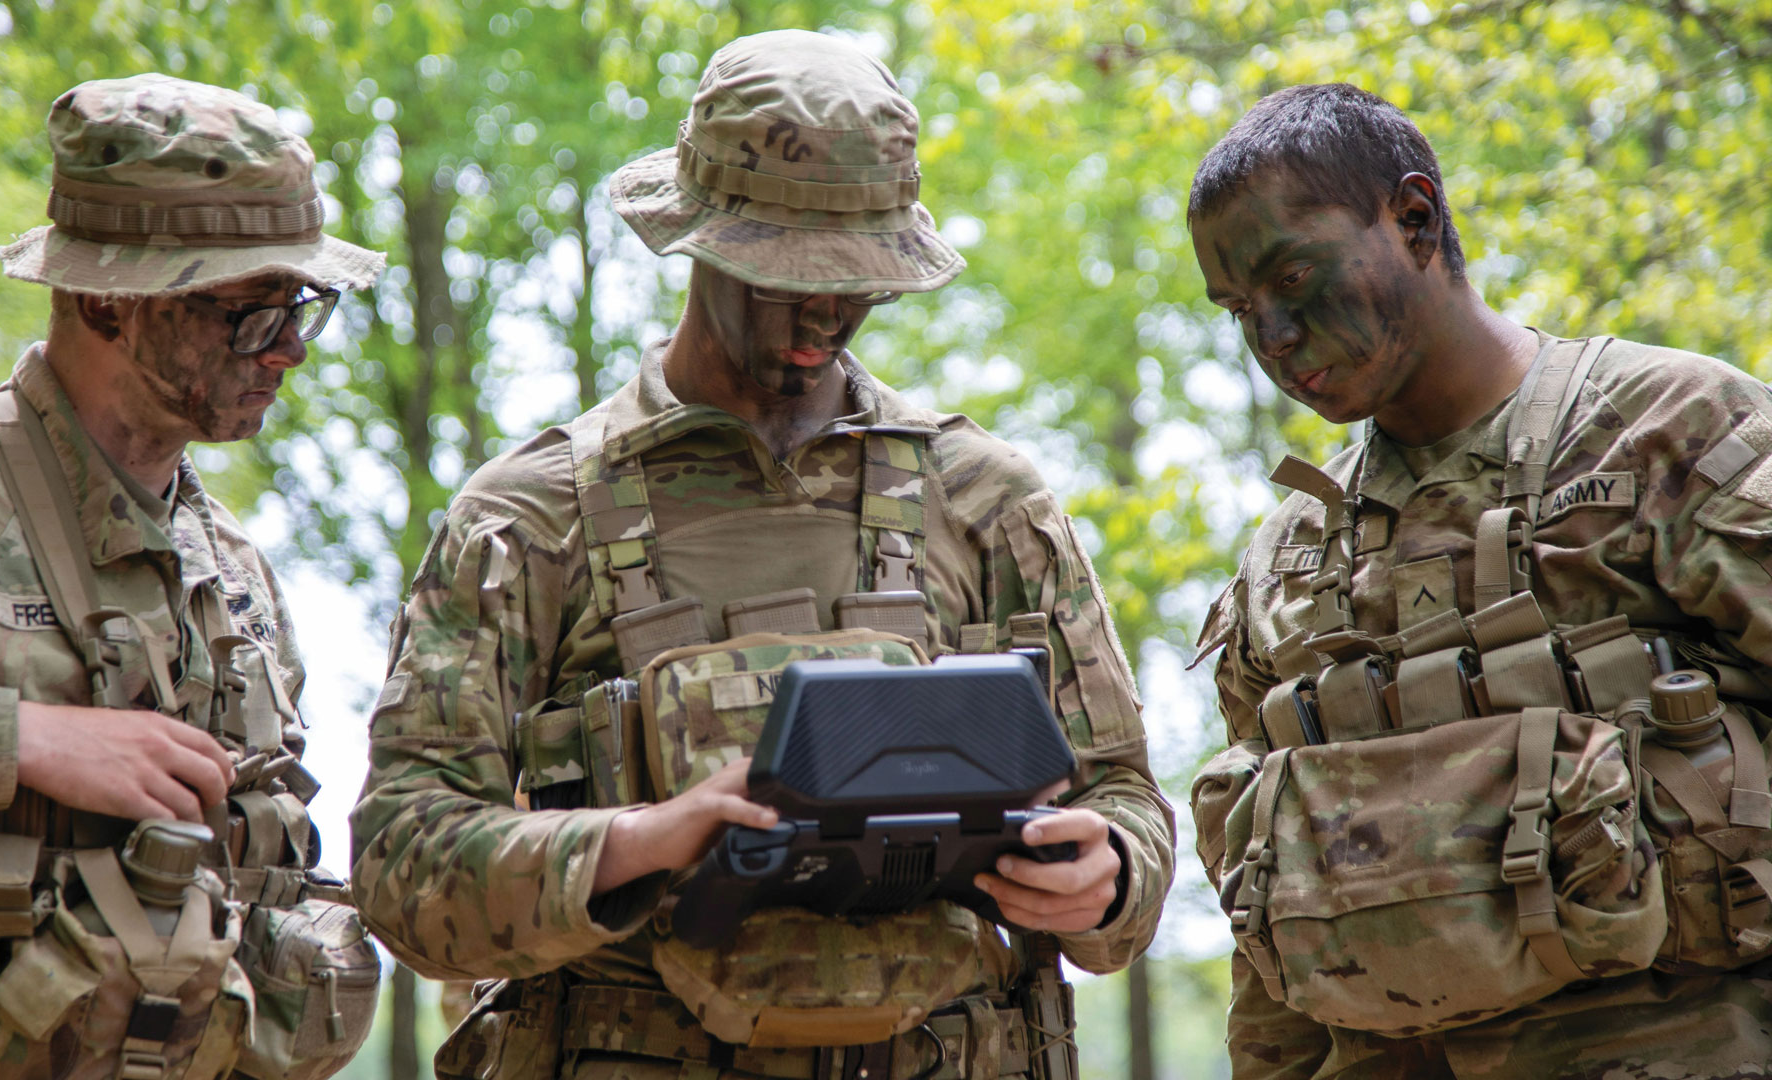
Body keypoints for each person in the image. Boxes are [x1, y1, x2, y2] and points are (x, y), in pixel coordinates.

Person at [351, 29, 1174, 1080]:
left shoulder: (989, 501)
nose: (823, 323)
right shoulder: (528, 519)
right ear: (700, 243)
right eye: (787, 284)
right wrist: (647, 842)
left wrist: (1104, 877)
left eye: (857, 288)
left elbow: (1126, 804)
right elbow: (400, 867)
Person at [1187, 82, 1772, 1079]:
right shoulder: (1290, 559)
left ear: (1414, 219)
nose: (1273, 339)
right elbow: (1266, 929)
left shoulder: (1671, 436)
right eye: (1241, 309)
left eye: (1296, 277)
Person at [0, 74, 385, 1079]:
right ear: (107, 296)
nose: (289, 356)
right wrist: (12, 739)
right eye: (250, 313)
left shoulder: (237, 579)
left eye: (299, 308)